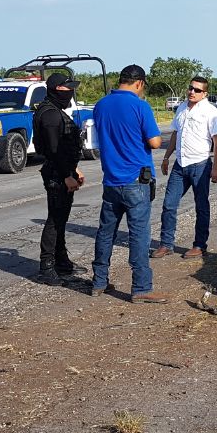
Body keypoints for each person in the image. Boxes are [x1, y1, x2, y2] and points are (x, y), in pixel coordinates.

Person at [90, 65, 168, 303]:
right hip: (136, 181)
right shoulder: (140, 106)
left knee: (105, 233)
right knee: (139, 235)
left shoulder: (100, 105)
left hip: (111, 181)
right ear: (139, 83)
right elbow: (155, 142)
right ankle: (141, 288)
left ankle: (99, 282)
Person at [154, 76, 217, 259]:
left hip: (200, 165)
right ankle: (166, 244)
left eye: (197, 90)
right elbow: (176, 134)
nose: (192, 92)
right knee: (169, 204)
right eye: (191, 88)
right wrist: (166, 157)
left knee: (201, 206)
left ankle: (200, 245)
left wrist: (215, 168)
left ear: (204, 93)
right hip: (180, 164)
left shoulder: (211, 112)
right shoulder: (182, 108)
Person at [34, 72, 86, 279]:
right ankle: (47, 267)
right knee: (55, 220)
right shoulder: (50, 115)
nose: (71, 92)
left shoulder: (54, 110)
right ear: (56, 90)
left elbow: (63, 149)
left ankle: (61, 261)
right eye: (67, 89)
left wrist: (74, 169)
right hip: (57, 174)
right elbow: (54, 150)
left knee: (61, 219)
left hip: (63, 170)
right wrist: (67, 175)